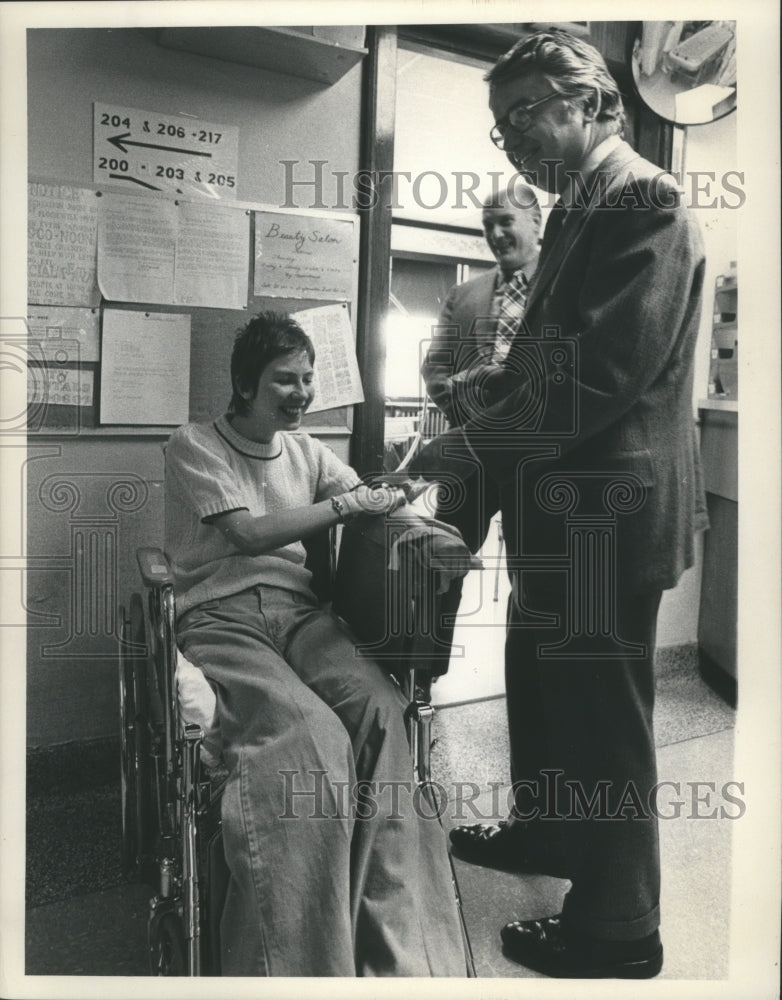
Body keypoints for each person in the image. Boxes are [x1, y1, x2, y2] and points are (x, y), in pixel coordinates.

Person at [411, 29, 708, 979]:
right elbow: (552, 360)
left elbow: (598, 374)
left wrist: (474, 442)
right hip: (565, 509)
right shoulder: (579, 206)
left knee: (601, 718)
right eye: (505, 129)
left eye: (529, 113)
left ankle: (620, 928)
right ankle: (548, 830)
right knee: (541, 680)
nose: (518, 139)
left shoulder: (641, 199)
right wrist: (494, 397)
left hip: (602, 516)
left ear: (595, 102)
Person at [164, 311, 465, 977]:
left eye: (307, 379)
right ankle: (302, 971)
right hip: (221, 616)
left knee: (382, 716)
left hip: (300, 613)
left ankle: (401, 960)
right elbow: (246, 534)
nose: (300, 393)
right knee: (312, 742)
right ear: (245, 383)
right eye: (284, 380)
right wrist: (347, 505)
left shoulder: (303, 450)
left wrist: (402, 487)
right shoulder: (193, 445)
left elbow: (364, 494)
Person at [421, 187, 541, 554]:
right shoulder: (463, 294)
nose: (495, 235)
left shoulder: (564, 285)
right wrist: (472, 414)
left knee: (533, 574)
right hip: (470, 454)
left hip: (537, 457)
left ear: (537, 223)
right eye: (488, 225)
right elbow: (435, 369)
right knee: (441, 564)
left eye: (506, 221)